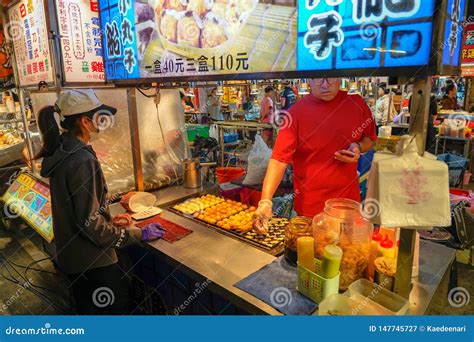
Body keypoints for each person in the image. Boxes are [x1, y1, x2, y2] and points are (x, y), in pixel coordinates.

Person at [36, 89, 164, 314]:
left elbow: (81, 213)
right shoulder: (82, 159)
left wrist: (109, 219)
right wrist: (137, 234)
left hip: (73, 260)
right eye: (99, 115)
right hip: (93, 264)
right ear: (85, 121)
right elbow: (91, 226)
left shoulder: (61, 151)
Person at [253, 78, 377, 233]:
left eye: (330, 77)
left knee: (348, 255)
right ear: (308, 81)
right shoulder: (295, 114)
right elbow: (279, 159)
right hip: (310, 211)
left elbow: (370, 138)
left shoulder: (357, 104)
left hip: (348, 207)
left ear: (340, 77)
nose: (325, 84)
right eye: (318, 78)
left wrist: (358, 146)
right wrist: (265, 201)